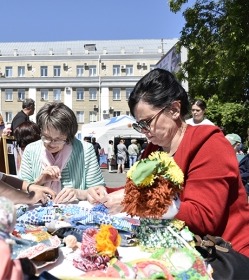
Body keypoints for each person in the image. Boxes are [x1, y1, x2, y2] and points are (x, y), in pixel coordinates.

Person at [88, 68, 249, 258]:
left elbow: (204, 218)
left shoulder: (211, 144)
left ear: (174, 110)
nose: (144, 131)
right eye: (140, 125)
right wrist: (101, 192)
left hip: (223, 254)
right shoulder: (153, 148)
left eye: (148, 121)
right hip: (178, 248)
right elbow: (134, 190)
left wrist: (135, 202)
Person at [19, 102, 105, 204]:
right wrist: (40, 181)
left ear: (69, 136)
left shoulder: (85, 150)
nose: (52, 143)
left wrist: (77, 193)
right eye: (46, 137)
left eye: (59, 139)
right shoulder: (31, 150)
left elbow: (99, 191)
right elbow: (20, 191)